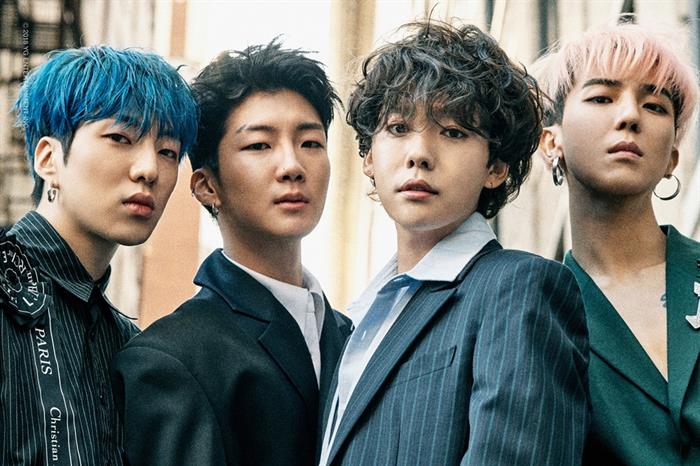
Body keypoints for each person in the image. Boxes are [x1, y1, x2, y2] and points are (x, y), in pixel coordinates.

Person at [318, 20, 590, 466]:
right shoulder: (357, 319)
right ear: (368, 156)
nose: (419, 154)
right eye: (398, 127)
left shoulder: (520, 289)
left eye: (454, 132)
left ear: (496, 167)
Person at [110, 40, 353, 466]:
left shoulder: (352, 335)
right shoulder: (171, 360)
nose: (292, 166)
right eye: (259, 145)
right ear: (206, 186)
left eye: (310, 143)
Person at [0, 45, 198, 466]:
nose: (149, 169)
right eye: (120, 138)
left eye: (167, 151)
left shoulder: (128, 344)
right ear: (49, 159)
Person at [535, 19, 700, 464]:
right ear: (551, 142)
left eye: (655, 106)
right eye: (602, 97)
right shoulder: (540, 316)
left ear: (672, 158)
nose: (629, 116)